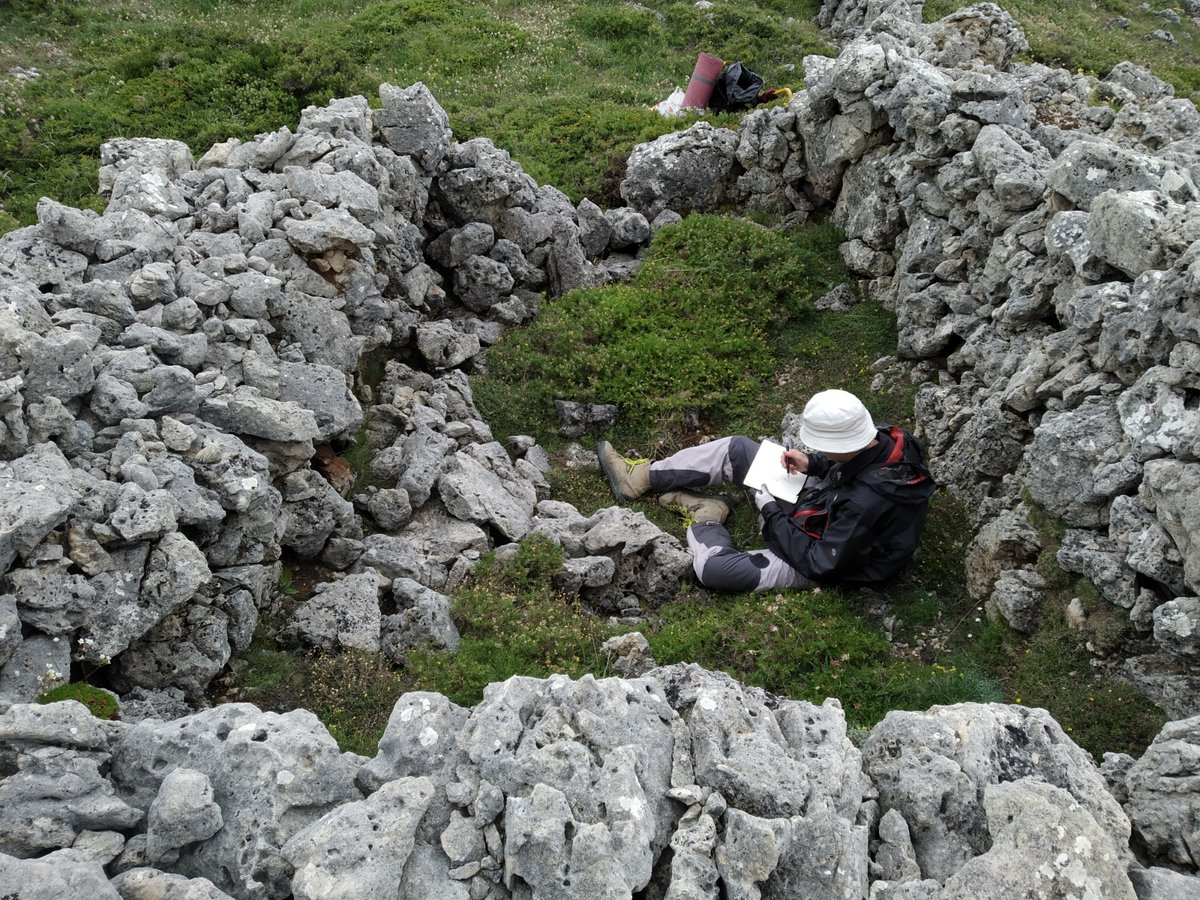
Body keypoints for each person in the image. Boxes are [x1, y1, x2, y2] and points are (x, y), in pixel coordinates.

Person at [597, 389, 935, 593]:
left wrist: (770, 511)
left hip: (836, 559)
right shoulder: (887, 438)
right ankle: (638, 477)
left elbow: (820, 562)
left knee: (714, 571)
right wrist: (813, 464)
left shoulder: (867, 503)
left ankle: (708, 517)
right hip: (834, 509)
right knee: (738, 449)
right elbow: (854, 462)